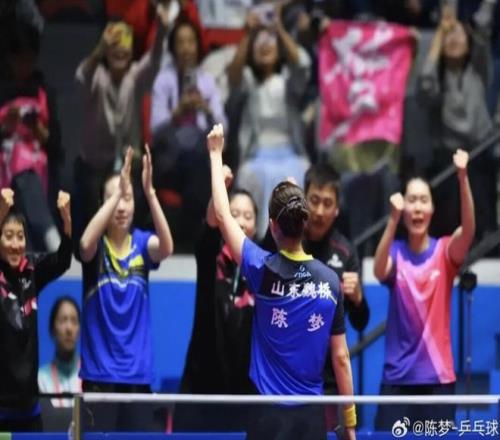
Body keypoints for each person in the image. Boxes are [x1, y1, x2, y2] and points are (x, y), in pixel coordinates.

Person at [207, 123, 356, 440]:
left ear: (272, 226)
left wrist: (216, 154)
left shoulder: (261, 267)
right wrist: (350, 422)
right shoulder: (330, 282)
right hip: (311, 418)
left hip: (267, 417)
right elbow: (342, 359)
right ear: (304, 223)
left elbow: (222, 215)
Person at [373, 149, 475, 429]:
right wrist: (392, 220)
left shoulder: (445, 251)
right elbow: (379, 270)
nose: (417, 207)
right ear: (403, 208)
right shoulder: (395, 253)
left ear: (432, 209)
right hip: (397, 380)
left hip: (437, 379)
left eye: (423, 200)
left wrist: (463, 177)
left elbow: (468, 231)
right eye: (411, 200)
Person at [78, 145, 173, 431]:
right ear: (103, 204)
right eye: (114, 199)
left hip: (137, 377)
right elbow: (84, 245)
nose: (121, 207)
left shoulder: (142, 244)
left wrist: (150, 193)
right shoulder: (96, 248)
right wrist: (119, 191)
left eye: (127, 199)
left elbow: (166, 248)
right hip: (99, 376)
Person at [73, 2, 171, 251]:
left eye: (124, 43)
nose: (119, 50)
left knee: (135, 197)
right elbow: (81, 77)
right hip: (94, 165)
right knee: (91, 219)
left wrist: (161, 29)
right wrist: (100, 48)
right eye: (113, 44)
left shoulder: (135, 76)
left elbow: (154, 60)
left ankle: (131, 251)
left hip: (127, 162)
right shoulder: (96, 75)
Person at [176, 165, 257, 431]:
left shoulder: (263, 268)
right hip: (201, 392)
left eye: (248, 216)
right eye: (234, 214)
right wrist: (219, 187)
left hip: (244, 398)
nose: (241, 222)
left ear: (256, 227)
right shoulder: (209, 257)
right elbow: (211, 225)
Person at [227, 6, 311, 238]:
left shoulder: (289, 82)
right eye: (259, 42)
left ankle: (293, 239)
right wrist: (249, 34)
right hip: (258, 153)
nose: (265, 46)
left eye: (270, 41)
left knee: (300, 172)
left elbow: (302, 64)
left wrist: (279, 29)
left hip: (289, 151)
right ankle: (261, 239)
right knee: (253, 173)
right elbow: (233, 76)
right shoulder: (248, 82)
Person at [418, 0, 497, 239]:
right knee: (451, 222)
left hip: (480, 156)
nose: (453, 39)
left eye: (458, 34)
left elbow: (482, 28)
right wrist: (439, 37)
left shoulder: (479, 69)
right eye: (448, 36)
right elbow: (425, 85)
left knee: (484, 218)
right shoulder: (438, 79)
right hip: (449, 161)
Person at [0, 188, 72, 432]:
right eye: (8, 236)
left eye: (20, 236)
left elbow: (63, 259)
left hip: (30, 410)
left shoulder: (31, 269)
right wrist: (1, 211)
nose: (15, 244)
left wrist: (67, 221)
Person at [151, 17, 227, 248]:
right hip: (169, 157)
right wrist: (178, 112)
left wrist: (205, 108)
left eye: (190, 42)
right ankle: (195, 239)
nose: (186, 48)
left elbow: (224, 126)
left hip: (199, 155)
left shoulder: (207, 81)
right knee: (199, 169)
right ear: (173, 48)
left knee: (201, 165)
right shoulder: (163, 80)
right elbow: (155, 127)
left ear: (197, 46)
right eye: (181, 42)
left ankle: (194, 240)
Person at [38, 296, 81, 408]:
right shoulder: (41, 379)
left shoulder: (89, 378)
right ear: (52, 330)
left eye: (74, 321)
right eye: (63, 320)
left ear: (79, 330)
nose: (69, 328)